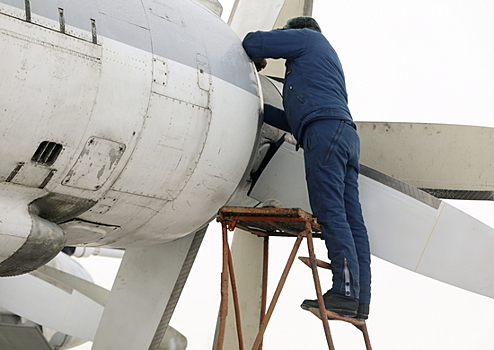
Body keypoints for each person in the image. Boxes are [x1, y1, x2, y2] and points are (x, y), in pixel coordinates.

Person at [242, 17, 371, 319]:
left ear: (295, 32)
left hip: (323, 133)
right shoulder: (324, 60)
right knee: (352, 221)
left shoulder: (306, 39)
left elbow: (252, 42)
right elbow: (296, 117)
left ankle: (343, 293)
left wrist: (259, 55)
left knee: (330, 213)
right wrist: (259, 107)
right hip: (343, 134)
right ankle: (359, 301)